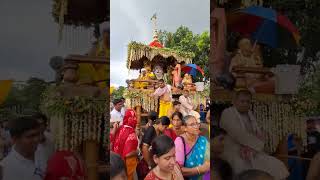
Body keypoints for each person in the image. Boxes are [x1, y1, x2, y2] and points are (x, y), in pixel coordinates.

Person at [220, 89, 289, 179]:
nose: (245, 104)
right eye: (242, 101)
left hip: (252, 150)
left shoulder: (250, 114)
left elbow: (257, 132)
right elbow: (237, 134)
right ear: (235, 102)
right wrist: (257, 145)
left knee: (277, 165)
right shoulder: (228, 112)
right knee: (242, 170)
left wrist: (262, 137)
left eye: (248, 102)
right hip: (234, 151)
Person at [174, 115, 210, 179]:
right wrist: (199, 169)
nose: (196, 127)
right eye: (192, 124)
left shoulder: (203, 140)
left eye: (197, 123)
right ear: (184, 128)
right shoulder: (180, 141)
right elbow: (177, 170)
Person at [112, 109, 139, 180]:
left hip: (117, 163)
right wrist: (137, 152)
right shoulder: (131, 131)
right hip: (127, 164)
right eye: (135, 117)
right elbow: (128, 154)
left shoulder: (120, 128)